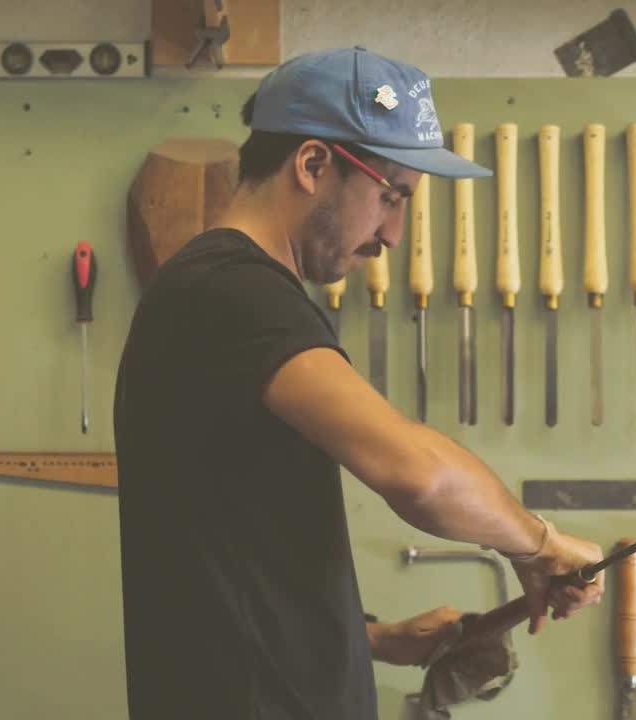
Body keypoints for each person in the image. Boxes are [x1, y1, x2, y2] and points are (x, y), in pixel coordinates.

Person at [113, 46, 607, 720]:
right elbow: (419, 475)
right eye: (390, 196)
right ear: (313, 164)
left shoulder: (223, 293)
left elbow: (229, 558)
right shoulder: (234, 294)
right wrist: (539, 543)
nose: (394, 234)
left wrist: (369, 639)